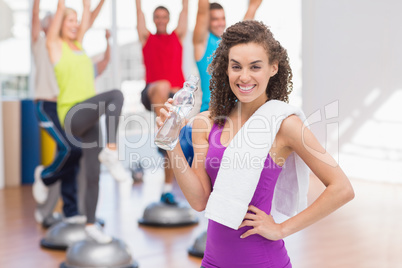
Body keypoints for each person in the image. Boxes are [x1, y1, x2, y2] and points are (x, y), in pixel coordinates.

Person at [157, 21, 355, 267]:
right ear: (225, 69)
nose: (244, 76)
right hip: (212, 261)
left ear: (273, 68)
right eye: (236, 66)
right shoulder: (206, 123)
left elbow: (342, 188)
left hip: (263, 260)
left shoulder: (285, 125)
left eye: (255, 67)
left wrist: (282, 229)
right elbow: (200, 201)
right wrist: (172, 142)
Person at [46, 0, 130, 243]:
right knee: (116, 95)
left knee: (93, 174)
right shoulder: (55, 45)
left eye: (76, 22)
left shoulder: (78, 45)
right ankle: (112, 151)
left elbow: (87, 16)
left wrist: (91, 5)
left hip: (89, 116)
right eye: (69, 21)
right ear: (60, 24)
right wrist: (63, 6)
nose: (75, 25)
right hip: (72, 114)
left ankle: (91, 223)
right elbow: (60, 15)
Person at [31, 0, 106, 225]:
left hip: (63, 105)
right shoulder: (42, 42)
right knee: (69, 149)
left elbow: (86, 21)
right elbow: (36, 16)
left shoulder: (70, 46)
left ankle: (71, 211)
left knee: (72, 157)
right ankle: (43, 177)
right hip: (45, 105)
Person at [135, 0, 188, 205]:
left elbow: (185, 10)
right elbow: (138, 13)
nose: (160, 20)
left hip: (173, 98)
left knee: (172, 145)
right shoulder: (146, 37)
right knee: (164, 85)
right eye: (157, 17)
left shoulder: (178, 36)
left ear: (168, 19)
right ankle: (164, 131)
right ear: (153, 20)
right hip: (152, 93)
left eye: (164, 17)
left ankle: (167, 190)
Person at [193, 0, 262, 113]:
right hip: (211, 111)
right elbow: (202, 12)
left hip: (235, 111)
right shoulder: (202, 42)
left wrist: (254, 5)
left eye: (222, 18)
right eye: (215, 19)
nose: (220, 23)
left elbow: (251, 13)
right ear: (208, 21)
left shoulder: (231, 44)